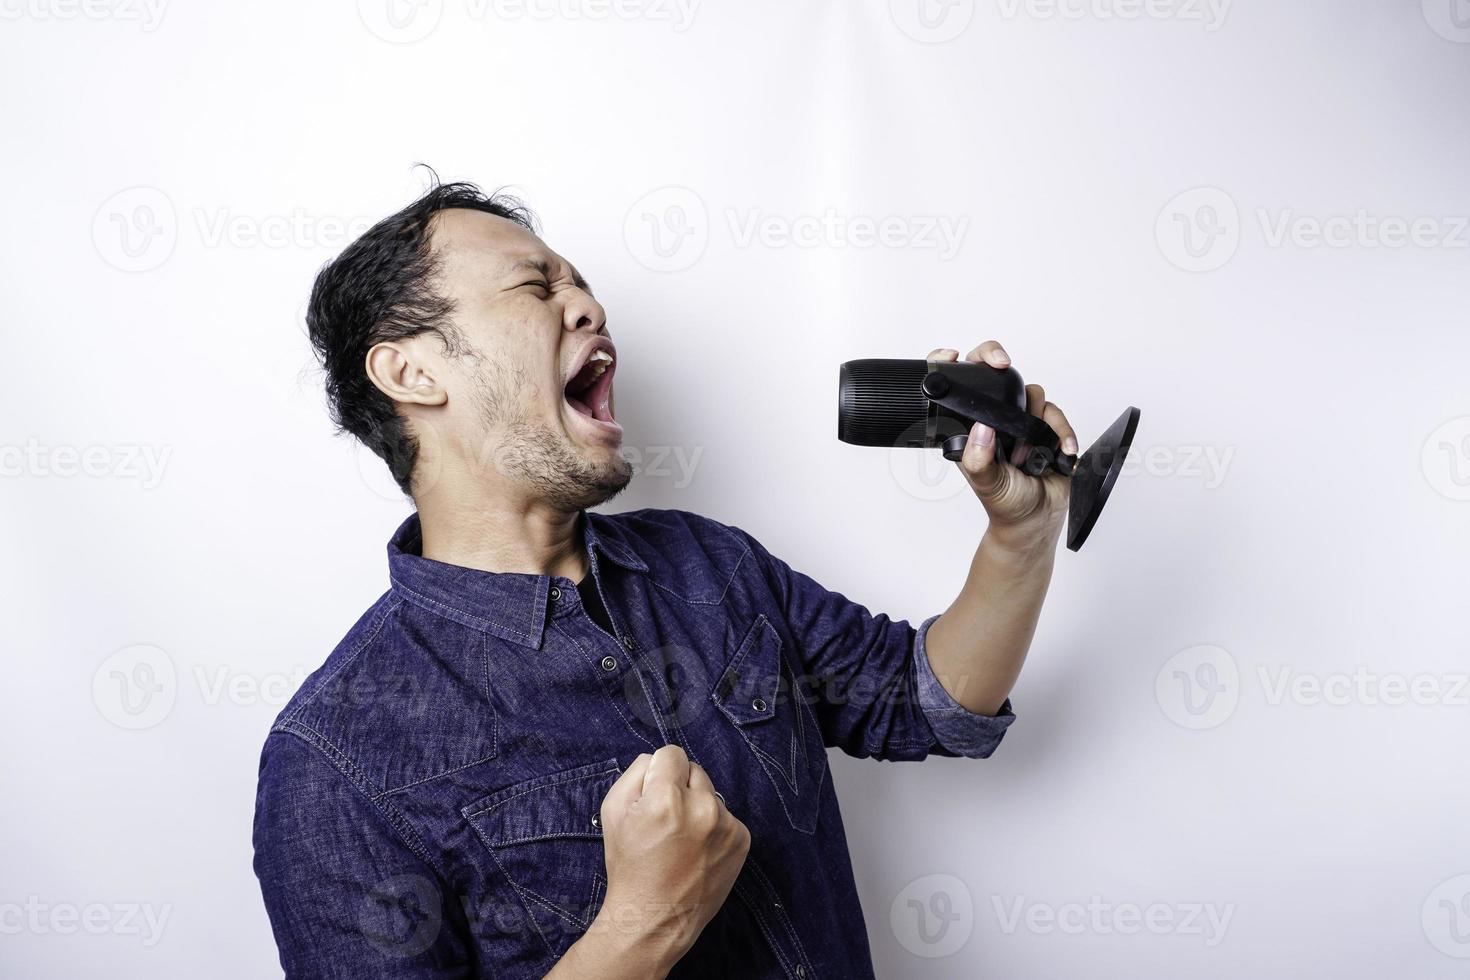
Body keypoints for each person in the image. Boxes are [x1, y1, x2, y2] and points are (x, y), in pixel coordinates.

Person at [252, 177, 1080, 979]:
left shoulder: (709, 565)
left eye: (581, 283)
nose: (588, 305)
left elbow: (927, 703)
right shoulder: (335, 762)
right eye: (535, 287)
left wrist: (1023, 533)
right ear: (411, 374)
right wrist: (645, 925)